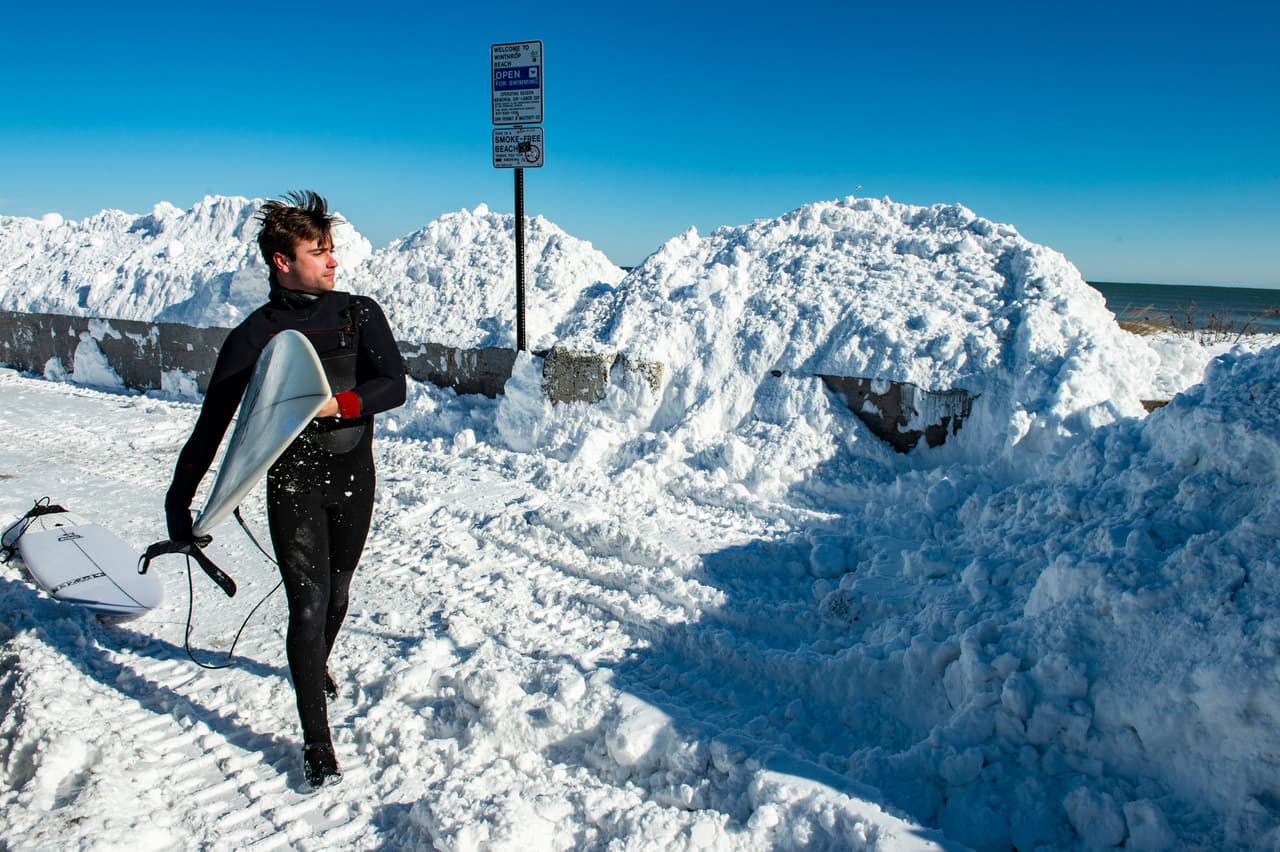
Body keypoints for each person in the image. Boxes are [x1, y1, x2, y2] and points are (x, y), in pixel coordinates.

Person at [164, 190, 406, 788]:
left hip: (354, 476)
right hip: (292, 481)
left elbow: (393, 386)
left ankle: (313, 665)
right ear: (281, 260)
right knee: (308, 602)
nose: (332, 262)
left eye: (332, 250)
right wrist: (180, 499)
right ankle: (316, 741)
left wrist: (335, 405)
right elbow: (214, 427)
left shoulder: (359, 313)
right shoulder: (254, 337)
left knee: (340, 593)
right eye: (317, 252)